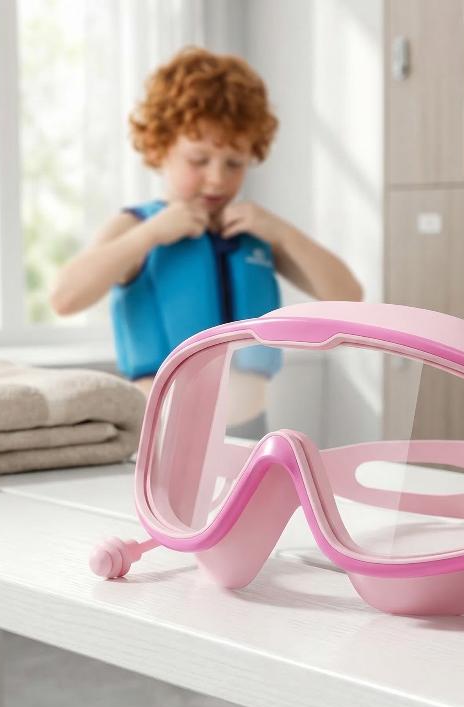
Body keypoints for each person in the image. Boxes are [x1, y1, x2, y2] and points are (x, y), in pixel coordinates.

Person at [50, 47, 362, 437]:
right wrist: (150, 234)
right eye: (199, 160)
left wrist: (282, 233)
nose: (217, 179)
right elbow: (64, 297)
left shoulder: (253, 234)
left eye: (235, 163)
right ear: (160, 148)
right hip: (165, 435)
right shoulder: (136, 227)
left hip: (251, 433)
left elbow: (349, 297)